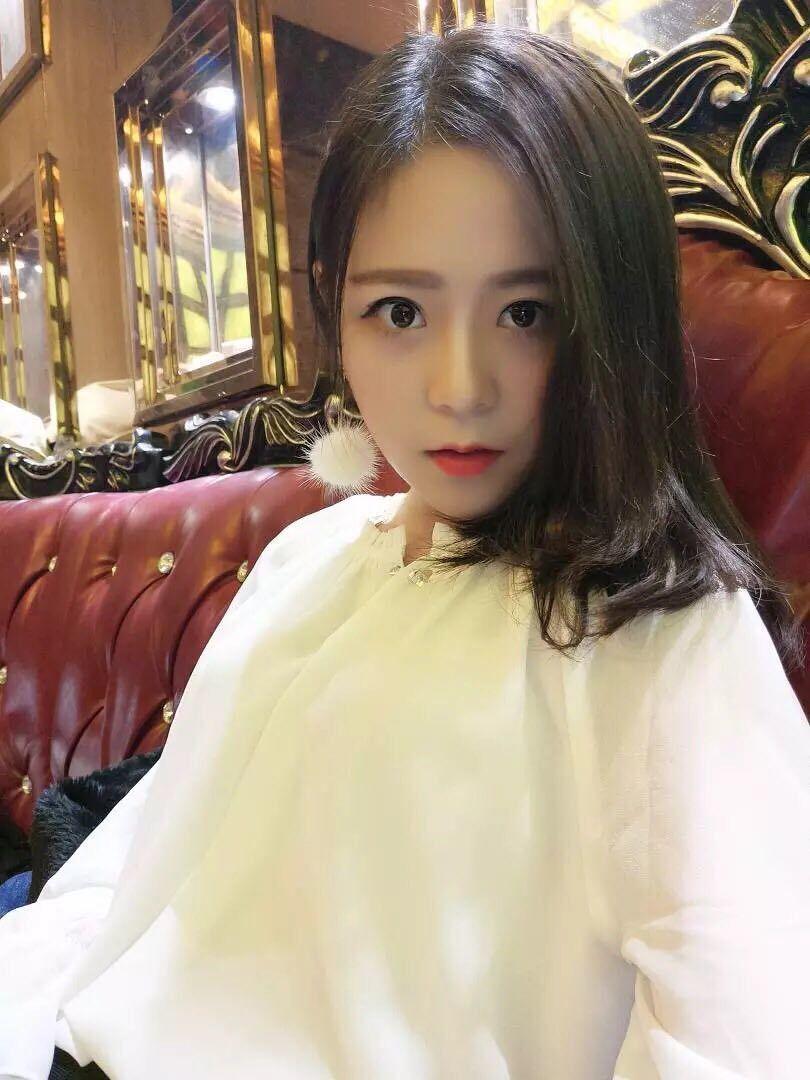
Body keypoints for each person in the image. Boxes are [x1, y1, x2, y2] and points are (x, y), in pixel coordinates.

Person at [1, 21, 808, 1080]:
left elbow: (745, 1037)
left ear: (616, 320)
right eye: (399, 311)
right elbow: (153, 866)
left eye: (527, 312)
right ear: (334, 310)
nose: (458, 386)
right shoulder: (313, 554)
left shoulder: (661, 638)